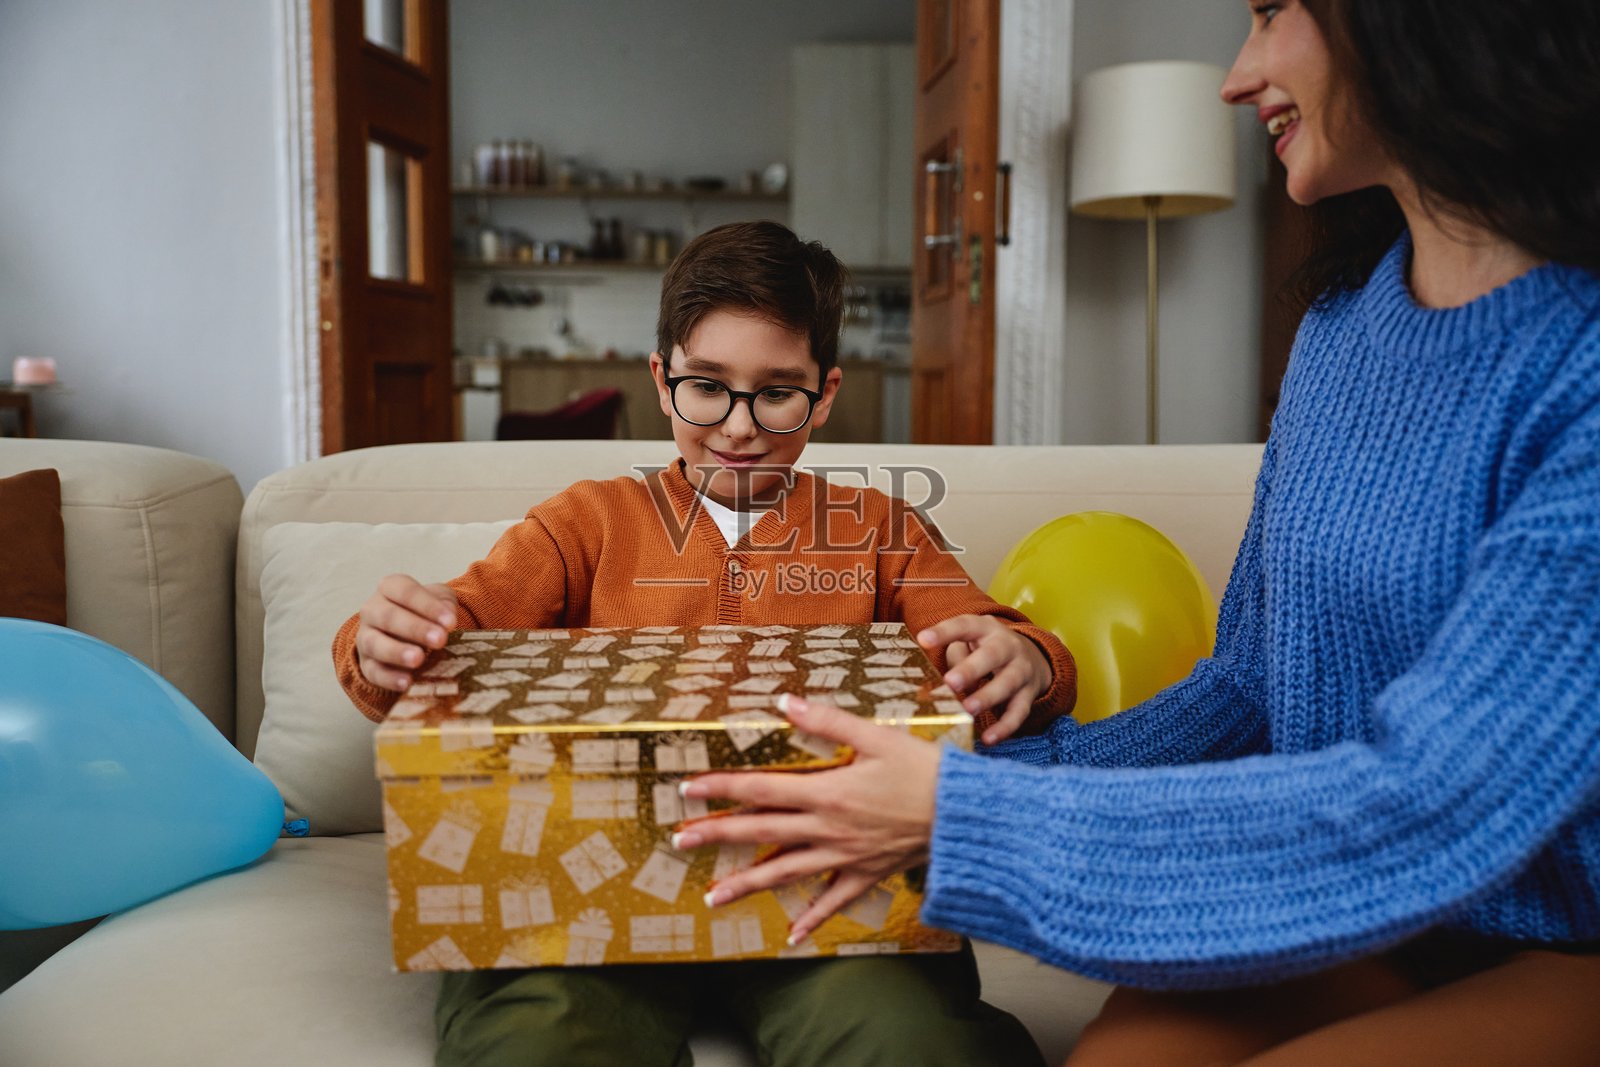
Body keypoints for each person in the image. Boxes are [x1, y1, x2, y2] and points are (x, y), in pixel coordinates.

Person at [678, 2, 1600, 1063]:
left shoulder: (1572, 366)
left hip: (1559, 942)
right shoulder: (1341, 328)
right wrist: (970, 778)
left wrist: (958, 813)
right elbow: (1245, 688)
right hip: (1364, 914)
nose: (1236, 75)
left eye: (1268, 15)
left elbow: (1432, 801)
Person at [332, 220, 1077, 1067]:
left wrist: (1023, 655)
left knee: (913, 1042)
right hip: (589, 877)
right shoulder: (586, 521)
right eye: (707, 387)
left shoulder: (881, 530)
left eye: (778, 392)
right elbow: (450, 633)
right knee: (532, 1037)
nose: (738, 425)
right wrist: (381, 642)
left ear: (824, 395)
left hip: (823, 879)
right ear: (662, 378)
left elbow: (1002, 640)